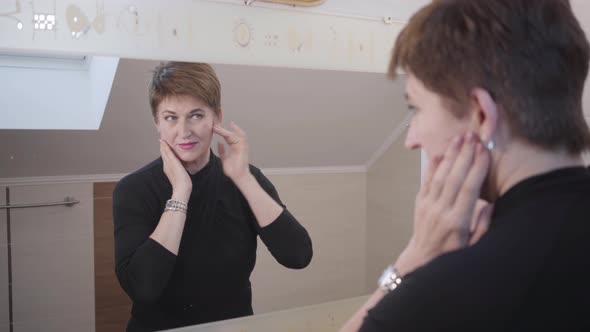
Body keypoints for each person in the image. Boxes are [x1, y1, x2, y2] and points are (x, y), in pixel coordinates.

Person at [341, 0, 590, 331]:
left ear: (481, 115)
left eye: (415, 108)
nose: (410, 139)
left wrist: (412, 261)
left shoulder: (446, 293)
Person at [112, 62, 313, 331]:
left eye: (196, 115)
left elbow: (298, 256)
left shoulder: (245, 178)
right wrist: (181, 193)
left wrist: (244, 179)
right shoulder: (133, 189)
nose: (184, 131)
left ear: (216, 118)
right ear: (157, 123)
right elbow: (143, 288)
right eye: (171, 117)